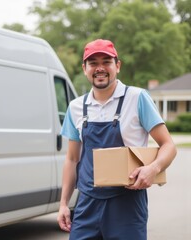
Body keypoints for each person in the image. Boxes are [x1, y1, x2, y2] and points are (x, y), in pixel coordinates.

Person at [57, 39, 177, 240]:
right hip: (87, 204)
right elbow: (72, 159)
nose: (100, 68)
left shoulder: (137, 98)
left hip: (127, 205)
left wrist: (153, 169)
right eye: (93, 63)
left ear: (117, 66)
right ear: (84, 68)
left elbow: (169, 145)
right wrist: (63, 204)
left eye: (106, 61)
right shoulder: (76, 107)